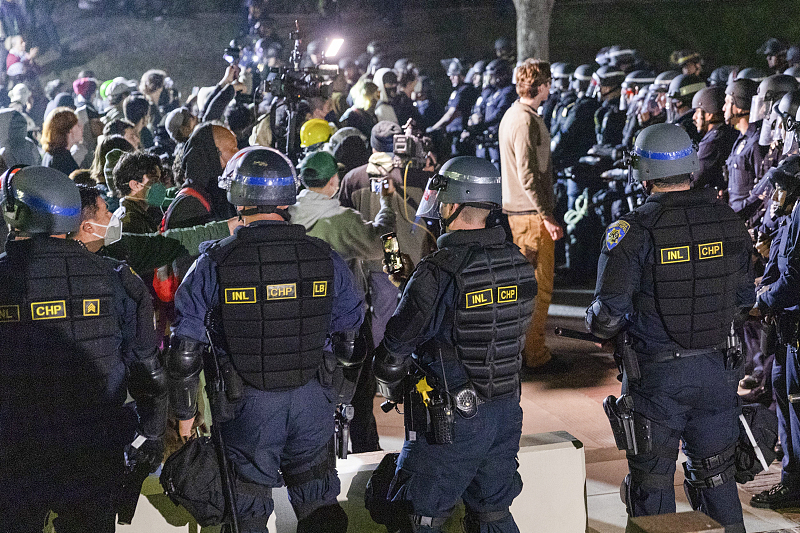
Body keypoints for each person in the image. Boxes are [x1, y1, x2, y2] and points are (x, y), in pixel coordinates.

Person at [167, 146, 364, 532]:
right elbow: (351, 337)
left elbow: (185, 350)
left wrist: (186, 416)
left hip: (247, 405)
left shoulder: (213, 262)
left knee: (246, 511)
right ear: (286, 197)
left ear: (238, 197)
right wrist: (339, 396)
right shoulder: (324, 257)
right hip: (313, 398)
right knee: (320, 506)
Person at [586, 123, 753, 533]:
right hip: (719, 371)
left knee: (653, 485)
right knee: (717, 477)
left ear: (642, 171)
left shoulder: (632, 231)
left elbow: (607, 317)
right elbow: (745, 299)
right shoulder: (728, 220)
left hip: (656, 379)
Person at [373, 156, 537, 533]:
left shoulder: (438, 271)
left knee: (418, 517)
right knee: (492, 513)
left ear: (451, 205)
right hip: (505, 411)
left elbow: (394, 353)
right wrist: (413, 286)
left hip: (450, 421)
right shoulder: (517, 262)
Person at [0, 166, 167, 532]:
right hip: (95, 443)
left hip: (17, 446)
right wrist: (152, 435)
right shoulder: (116, 277)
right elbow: (146, 365)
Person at [499, 58, 564, 371]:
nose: (550, 87)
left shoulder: (513, 115)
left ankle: (526, 350)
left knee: (526, 287)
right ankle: (535, 354)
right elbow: (528, 174)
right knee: (540, 288)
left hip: (519, 213)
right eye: (548, 82)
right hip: (531, 216)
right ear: (540, 86)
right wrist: (547, 215)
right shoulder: (525, 121)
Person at [750, 156, 800, 509]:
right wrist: (760, 293)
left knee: (797, 410)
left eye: (780, 188)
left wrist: (762, 301)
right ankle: (791, 480)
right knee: (785, 403)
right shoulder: (788, 217)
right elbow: (776, 266)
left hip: (796, 331)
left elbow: (794, 280)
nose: (774, 194)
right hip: (785, 332)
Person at [724, 78, 764, 212]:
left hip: (746, 217)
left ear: (738, 106)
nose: (723, 108)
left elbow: (762, 189)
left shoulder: (755, 143)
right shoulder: (741, 139)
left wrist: (739, 212)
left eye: (727, 103)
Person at [691, 86, 739, 190]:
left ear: (709, 115)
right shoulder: (729, 132)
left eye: (698, 111)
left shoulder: (711, 142)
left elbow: (694, 179)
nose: (694, 117)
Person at [41, 106, 81, 176]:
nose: (81, 128)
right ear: (69, 130)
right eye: (77, 125)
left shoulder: (50, 155)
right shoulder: (64, 161)